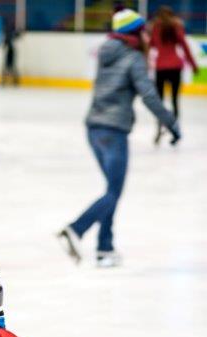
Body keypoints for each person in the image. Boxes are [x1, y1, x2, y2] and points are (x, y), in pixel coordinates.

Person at [58, 9, 179, 268]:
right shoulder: (134, 58)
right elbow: (149, 95)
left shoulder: (106, 52)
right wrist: (171, 122)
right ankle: (76, 229)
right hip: (113, 131)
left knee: (111, 190)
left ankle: (105, 248)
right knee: (114, 191)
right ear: (135, 33)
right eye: (143, 31)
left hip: (93, 128)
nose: (147, 36)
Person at [150, 5, 199, 144]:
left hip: (161, 67)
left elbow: (152, 44)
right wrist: (193, 65)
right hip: (175, 67)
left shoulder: (156, 27)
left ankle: (158, 129)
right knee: (174, 100)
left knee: (159, 102)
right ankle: (175, 131)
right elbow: (184, 46)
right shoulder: (177, 26)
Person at [1, 19, 21, 86]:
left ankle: (8, 80)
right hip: (10, 50)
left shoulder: (8, 31)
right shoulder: (9, 31)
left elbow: (6, 40)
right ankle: (8, 80)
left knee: (9, 65)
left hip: (11, 50)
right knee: (9, 65)